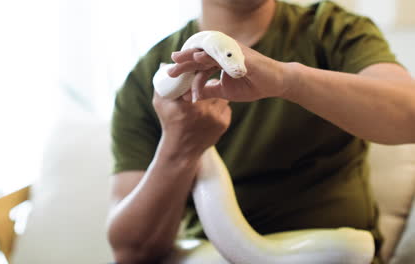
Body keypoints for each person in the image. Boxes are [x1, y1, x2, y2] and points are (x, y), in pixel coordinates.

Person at [106, 0, 415, 263]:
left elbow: (409, 116)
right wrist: (180, 147)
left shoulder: (332, 30)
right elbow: (132, 251)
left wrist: (287, 79)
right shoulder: (147, 79)